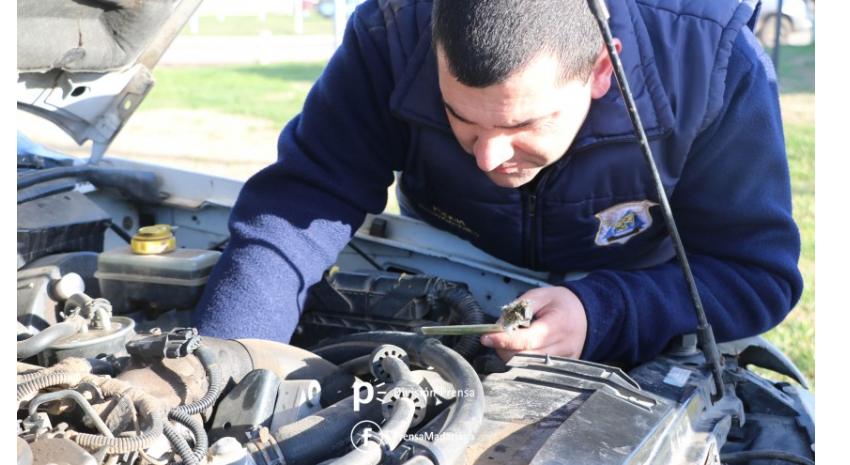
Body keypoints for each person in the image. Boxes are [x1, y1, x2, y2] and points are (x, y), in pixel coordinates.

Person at [193, 0, 803, 365]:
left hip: (642, 291)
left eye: (522, 124)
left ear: (601, 70)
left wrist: (604, 311)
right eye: (460, 117)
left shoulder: (715, 62)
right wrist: (223, 357)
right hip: (445, 277)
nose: (488, 157)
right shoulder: (392, 33)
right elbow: (303, 204)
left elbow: (756, 275)